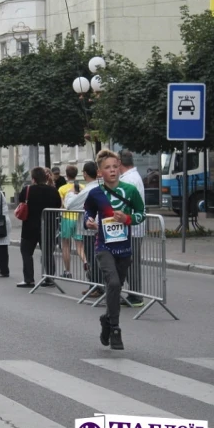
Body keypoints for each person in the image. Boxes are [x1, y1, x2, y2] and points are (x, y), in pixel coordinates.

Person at [84, 150, 146, 350]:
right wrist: (89, 222)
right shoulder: (95, 193)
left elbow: (141, 213)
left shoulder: (130, 190)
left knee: (116, 287)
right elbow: (88, 212)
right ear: (100, 172)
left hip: (124, 247)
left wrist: (127, 219)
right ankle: (116, 328)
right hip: (103, 245)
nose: (112, 171)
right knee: (113, 281)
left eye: (114, 167)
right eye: (107, 168)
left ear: (119, 167)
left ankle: (107, 320)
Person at [16, 167, 62, 288]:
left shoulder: (27, 189)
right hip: (49, 226)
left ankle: (29, 279)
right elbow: (58, 205)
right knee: (47, 252)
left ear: (33, 179)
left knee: (26, 252)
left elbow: (20, 202)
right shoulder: (53, 190)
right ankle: (50, 278)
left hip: (29, 227)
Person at [66, 162, 102, 297]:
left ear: (85, 174)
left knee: (93, 258)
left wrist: (71, 194)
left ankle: (97, 286)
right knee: (97, 257)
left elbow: (70, 205)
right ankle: (95, 285)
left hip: (89, 228)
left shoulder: (88, 190)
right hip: (99, 227)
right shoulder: (101, 186)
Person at [119, 150, 146, 307]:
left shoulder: (129, 180)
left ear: (120, 163)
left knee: (131, 262)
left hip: (131, 228)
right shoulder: (131, 177)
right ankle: (133, 293)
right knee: (129, 261)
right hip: (131, 227)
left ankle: (136, 295)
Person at [58, 165, 86, 278]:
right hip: (80, 218)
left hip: (67, 218)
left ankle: (67, 271)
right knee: (80, 246)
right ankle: (85, 261)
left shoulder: (62, 189)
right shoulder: (83, 187)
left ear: (66, 175)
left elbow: (61, 205)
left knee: (65, 245)